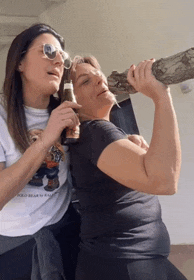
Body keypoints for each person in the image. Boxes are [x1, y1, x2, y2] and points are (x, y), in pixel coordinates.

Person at [68, 55, 187, 280]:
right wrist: (161, 96)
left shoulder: (101, 132)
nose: (99, 81)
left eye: (99, 76)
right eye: (85, 81)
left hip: (132, 258)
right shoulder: (95, 132)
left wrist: (133, 147)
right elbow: (164, 180)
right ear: (71, 99)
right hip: (122, 263)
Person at [0, 23, 81, 280]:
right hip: (13, 243)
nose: (58, 61)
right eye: (48, 50)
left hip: (65, 229)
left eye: (62, 57)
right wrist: (45, 140)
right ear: (19, 62)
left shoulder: (67, 112)